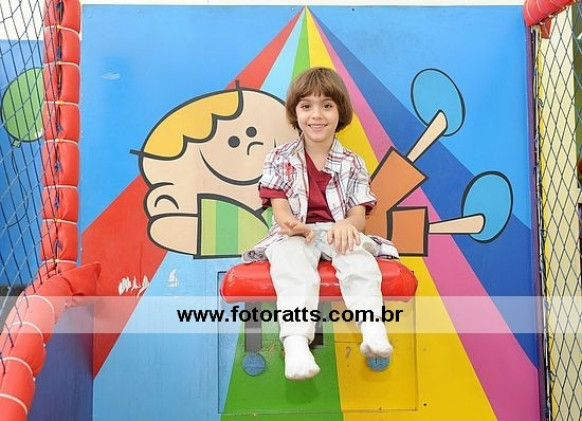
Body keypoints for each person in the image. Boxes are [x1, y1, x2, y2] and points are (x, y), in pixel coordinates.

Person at [246, 67, 395, 380]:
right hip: (294, 234)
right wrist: (294, 226)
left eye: (327, 105)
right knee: (292, 264)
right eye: (306, 106)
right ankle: (296, 345)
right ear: (295, 112)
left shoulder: (353, 162)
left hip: (337, 232)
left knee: (359, 260)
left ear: (340, 112)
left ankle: (373, 331)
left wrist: (347, 225)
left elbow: (358, 216)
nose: (316, 115)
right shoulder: (279, 158)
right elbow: (280, 212)